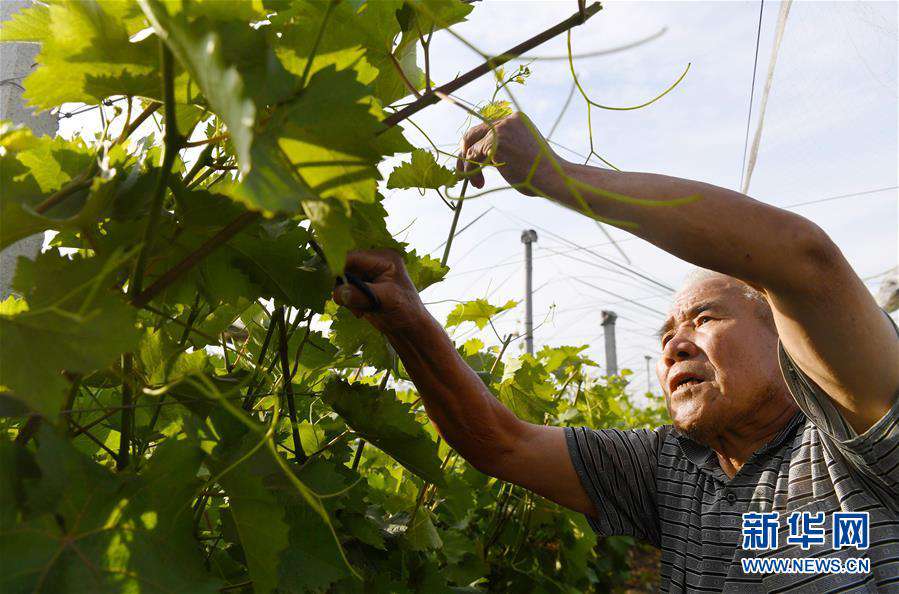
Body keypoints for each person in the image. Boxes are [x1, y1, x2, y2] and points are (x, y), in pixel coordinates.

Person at [332, 112, 899, 592]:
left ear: (785, 333)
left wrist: (558, 178)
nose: (676, 343)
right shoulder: (670, 468)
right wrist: (404, 319)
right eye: (666, 336)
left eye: (704, 319)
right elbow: (502, 444)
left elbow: (804, 260)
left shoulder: (857, 440)